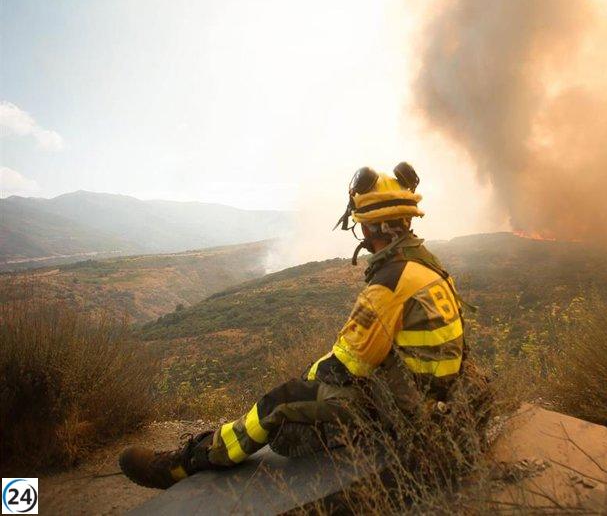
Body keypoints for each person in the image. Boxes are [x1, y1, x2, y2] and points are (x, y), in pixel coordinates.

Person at [119, 162, 466, 489]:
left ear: (369, 226)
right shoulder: (429, 268)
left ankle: (192, 462)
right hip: (430, 395)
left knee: (280, 400)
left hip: (404, 407)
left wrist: (306, 381)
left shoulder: (390, 282)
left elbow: (350, 363)